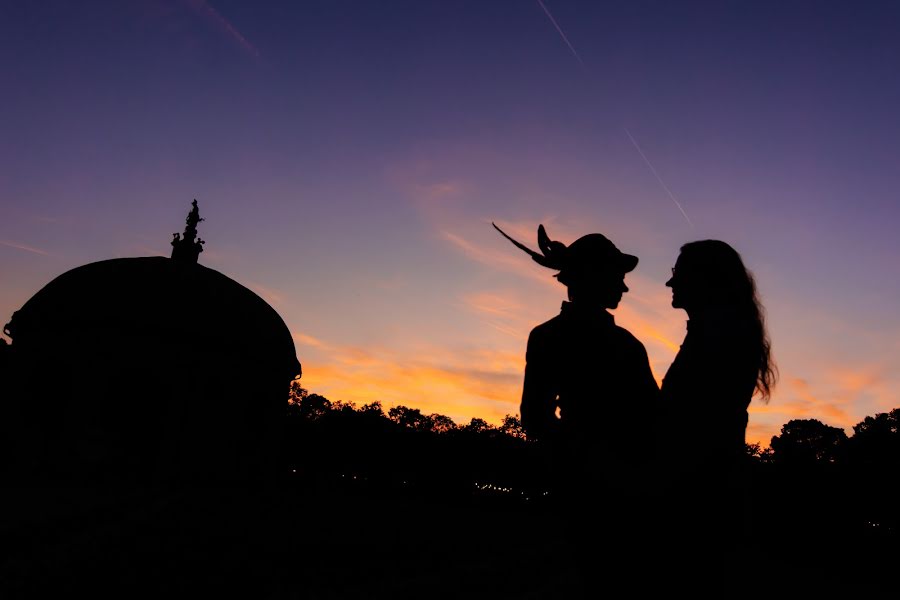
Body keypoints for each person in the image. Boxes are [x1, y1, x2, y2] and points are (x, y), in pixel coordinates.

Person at [493, 222, 659, 595]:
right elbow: (655, 419)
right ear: (593, 278)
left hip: (601, 489)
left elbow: (535, 418)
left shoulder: (551, 336)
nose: (625, 286)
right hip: (610, 494)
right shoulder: (625, 345)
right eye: (617, 276)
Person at [658, 239, 777, 592]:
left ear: (705, 278)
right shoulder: (719, 329)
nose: (671, 283)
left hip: (699, 498)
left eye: (678, 274)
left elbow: (688, 417)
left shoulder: (717, 334)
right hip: (709, 490)